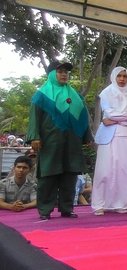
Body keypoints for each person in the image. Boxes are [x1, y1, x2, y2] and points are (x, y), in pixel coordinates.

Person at [26, 61, 92, 220]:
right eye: (60, 71)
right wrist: (34, 136)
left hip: (72, 142)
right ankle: (45, 210)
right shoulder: (41, 95)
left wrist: (87, 136)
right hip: (50, 141)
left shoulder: (75, 95)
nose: (64, 74)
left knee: (70, 175)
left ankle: (66, 208)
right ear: (51, 74)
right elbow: (34, 117)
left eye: (66, 72)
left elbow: (83, 117)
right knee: (48, 175)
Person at [91, 67, 127, 215]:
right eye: (119, 76)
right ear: (114, 77)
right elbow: (109, 113)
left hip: (126, 136)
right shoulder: (106, 93)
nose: (122, 79)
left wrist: (120, 118)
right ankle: (99, 204)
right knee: (105, 171)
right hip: (109, 136)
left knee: (125, 171)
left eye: (124, 76)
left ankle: (121, 202)